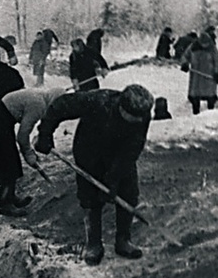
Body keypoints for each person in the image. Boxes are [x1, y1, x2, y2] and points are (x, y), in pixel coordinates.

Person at [35, 83, 154, 264]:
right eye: (134, 117)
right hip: (89, 152)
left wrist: (113, 179)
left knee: (128, 193)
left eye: (141, 118)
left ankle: (123, 240)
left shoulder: (142, 115)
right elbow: (60, 105)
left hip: (118, 155)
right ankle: (94, 244)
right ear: (122, 107)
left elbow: (132, 150)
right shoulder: (97, 101)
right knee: (90, 198)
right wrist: (45, 133)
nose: (139, 121)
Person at [0, 85, 68, 216]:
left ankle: (10, 197)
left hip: (0, 122)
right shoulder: (38, 104)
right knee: (8, 167)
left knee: (11, 164)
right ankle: (4, 204)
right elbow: (22, 136)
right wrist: (29, 155)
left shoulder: (40, 97)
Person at [180, 31, 218, 114]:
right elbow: (185, 56)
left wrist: (216, 72)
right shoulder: (193, 47)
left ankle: (211, 114)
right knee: (195, 97)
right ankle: (195, 113)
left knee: (210, 96)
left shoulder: (212, 49)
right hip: (196, 76)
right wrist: (185, 64)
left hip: (209, 77)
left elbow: (217, 61)